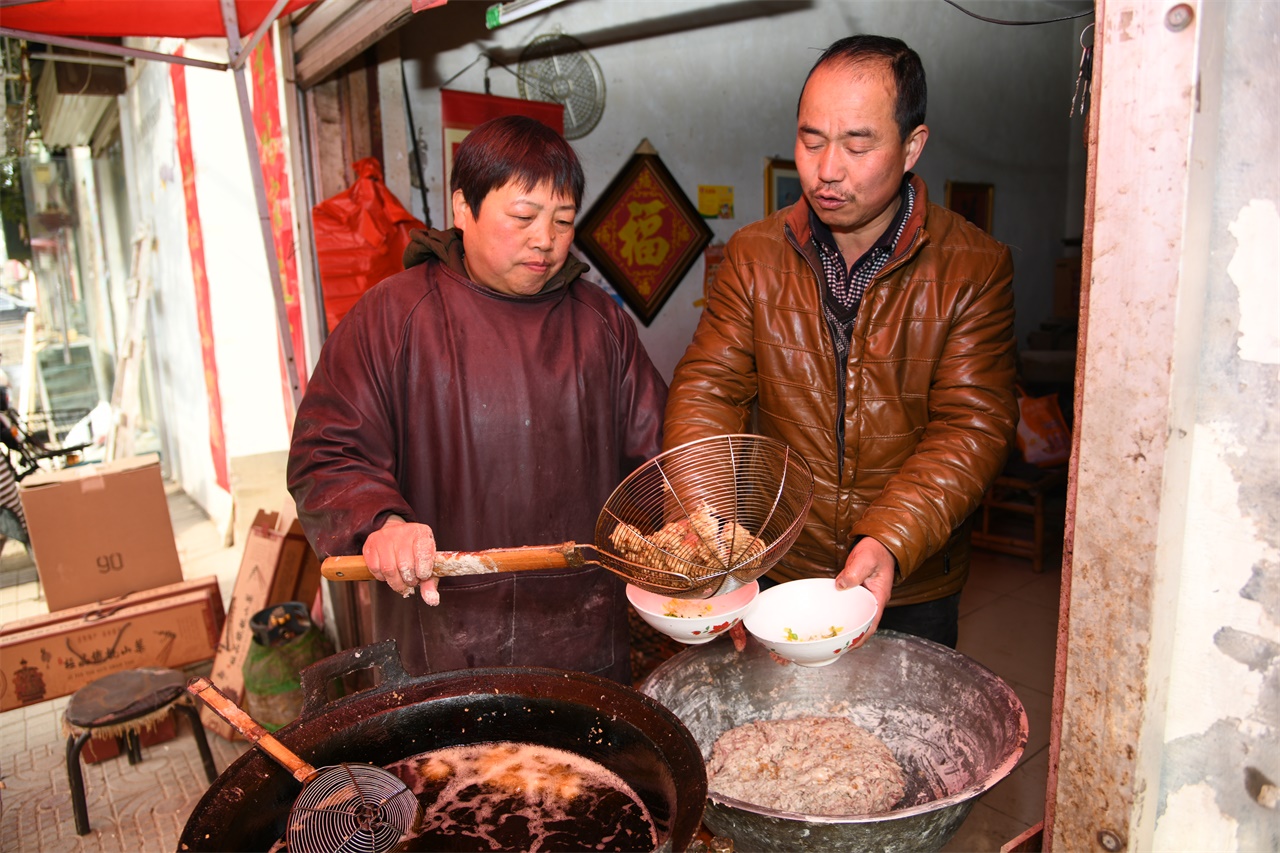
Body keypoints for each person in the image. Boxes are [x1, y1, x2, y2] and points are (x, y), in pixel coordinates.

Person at [664, 35, 1017, 649]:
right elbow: (708, 388)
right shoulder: (754, 255)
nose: (828, 169)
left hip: (907, 574)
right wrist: (706, 516)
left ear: (912, 146)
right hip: (778, 563)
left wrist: (890, 536)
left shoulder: (974, 266)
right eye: (810, 140)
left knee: (898, 737)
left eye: (858, 143)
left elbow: (972, 425)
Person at [287, 115, 667, 684]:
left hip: (580, 634)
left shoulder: (600, 323)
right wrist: (381, 522)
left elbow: (658, 459)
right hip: (439, 641)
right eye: (524, 217)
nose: (546, 239)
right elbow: (327, 451)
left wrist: (690, 534)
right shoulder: (393, 316)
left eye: (563, 221)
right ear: (463, 208)